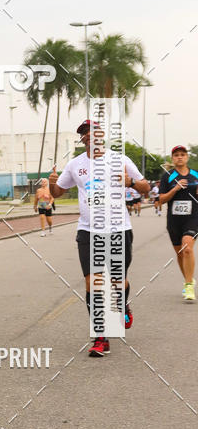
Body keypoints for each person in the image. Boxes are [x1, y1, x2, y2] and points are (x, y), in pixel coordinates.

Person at [49, 119, 149, 357]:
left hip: (118, 229)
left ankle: (122, 304)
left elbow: (145, 187)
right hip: (88, 231)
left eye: (92, 132)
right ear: (82, 139)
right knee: (92, 282)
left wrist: (131, 182)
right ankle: (100, 337)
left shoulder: (121, 160)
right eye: (84, 133)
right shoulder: (75, 165)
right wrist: (52, 186)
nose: (88, 136)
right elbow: (58, 193)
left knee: (117, 281)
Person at [156, 145, 198, 302]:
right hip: (174, 220)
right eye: (176, 155)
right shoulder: (168, 176)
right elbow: (161, 200)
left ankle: (188, 285)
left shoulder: (195, 175)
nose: (179, 157)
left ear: (187, 157)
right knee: (180, 253)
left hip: (192, 218)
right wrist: (175, 189)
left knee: (187, 247)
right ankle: (189, 279)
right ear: (173, 159)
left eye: (182, 154)